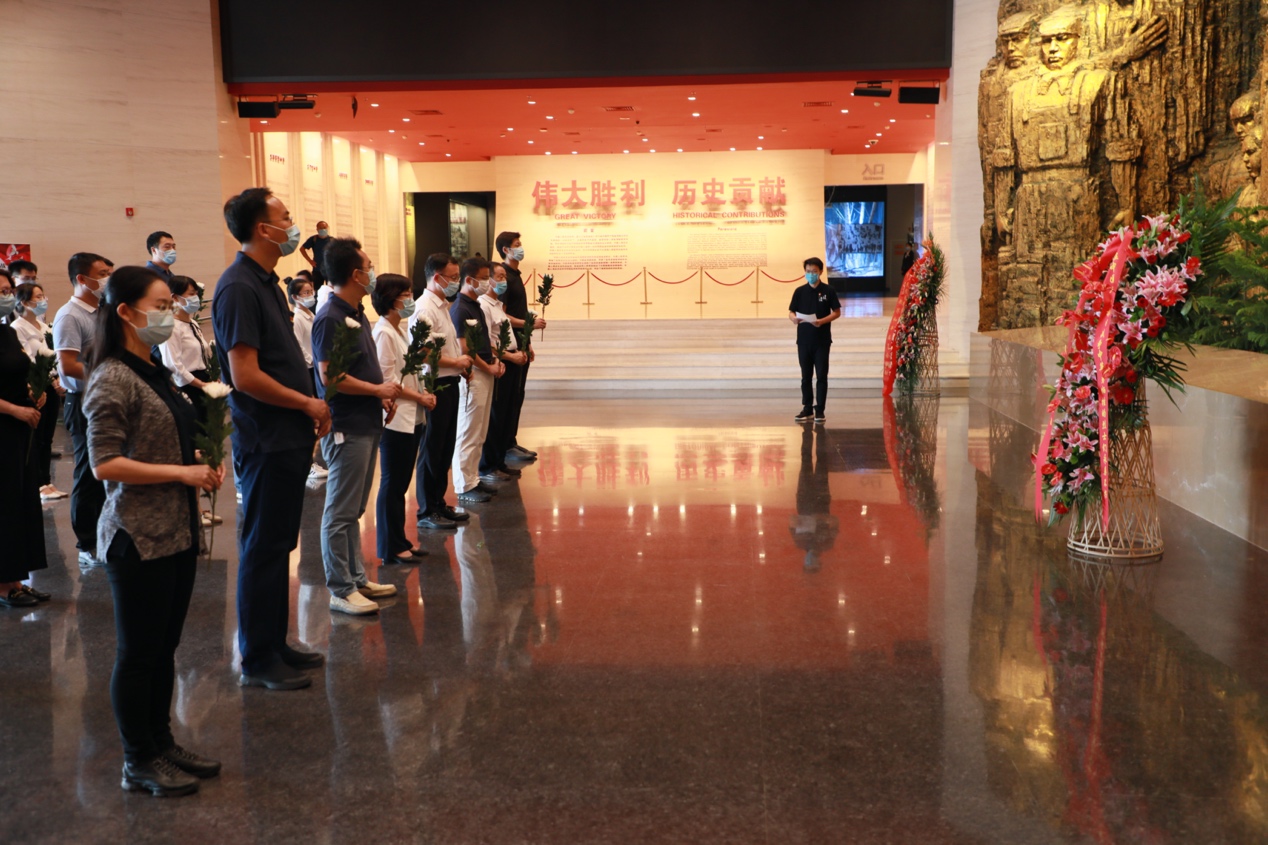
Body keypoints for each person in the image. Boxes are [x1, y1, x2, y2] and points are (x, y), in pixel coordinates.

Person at [83, 265, 225, 797]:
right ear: (126, 312)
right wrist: (181, 474)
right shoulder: (111, 377)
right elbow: (104, 463)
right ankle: (137, 758)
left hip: (176, 530)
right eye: (162, 306)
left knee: (165, 648)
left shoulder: (155, 369)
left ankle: (162, 741)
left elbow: (164, 439)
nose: (171, 314)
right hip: (137, 536)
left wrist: (199, 461)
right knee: (139, 654)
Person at [213, 187, 330, 691]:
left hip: (287, 435)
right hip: (266, 437)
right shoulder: (238, 287)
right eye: (285, 217)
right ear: (263, 229)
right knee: (263, 547)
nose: (292, 224)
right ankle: (258, 658)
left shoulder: (267, 283)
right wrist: (306, 403)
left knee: (279, 543)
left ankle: (275, 642)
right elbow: (245, 375)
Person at [311, 237, 400, 616]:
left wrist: (378, 396)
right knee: (340, 511)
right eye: (368, 266)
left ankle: (357, 578)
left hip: (365, 420)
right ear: (354, 274)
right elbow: (330, 376)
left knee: (354, 509)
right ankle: (341, 588)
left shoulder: (355, 312)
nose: (372, 272)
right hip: (346, 425)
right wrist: (377, 389)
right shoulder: (330, 318)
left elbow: (360, 367)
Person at [52, 252, 113, 566]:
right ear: (81, 279)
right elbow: (68, 365)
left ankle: (107, 534)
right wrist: (108, 374)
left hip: (107, 397)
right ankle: (87, 543)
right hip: (83, 400)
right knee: (88, 474)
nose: (107, 279)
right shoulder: (69, 315)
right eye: (102, 274)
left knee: (109, 469)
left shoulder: (104, 311)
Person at [371, 272, 436, 565]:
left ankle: (400, 540)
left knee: (400, 485)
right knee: (393, 483)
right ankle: (390, 546)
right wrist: (419, 397)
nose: (411, 299)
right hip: (396, 418)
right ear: (391, 298)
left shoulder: (397, 330)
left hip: (411, 416)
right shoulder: (384, 332)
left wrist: (423, 391)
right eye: (406, 294)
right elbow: (388, 381)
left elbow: (407, 372)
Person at [409, 253, 471, 530]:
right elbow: (421, 353)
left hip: (449, 382)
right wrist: (456, 363)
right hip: (434, 384)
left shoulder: (442, 305)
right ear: (437, 277)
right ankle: (426, 510)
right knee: (432, 448)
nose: (457, 282)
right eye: (454, 277)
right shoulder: (424, 308)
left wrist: (458, 365)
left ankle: (438, 502)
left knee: (445, 447)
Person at [0, 269, 49, 607]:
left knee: (20, 502)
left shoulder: (5, 331)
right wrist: (15, 410)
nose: (5, 295)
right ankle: (4, 585)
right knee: (3, 505)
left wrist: (33, 391)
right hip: (4, 425)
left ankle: (16, 578)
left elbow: (16, 371)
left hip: (18, 431)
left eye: (7, 289)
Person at [158, 274, 222, 528]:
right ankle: (192, 510)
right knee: (193, 448)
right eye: (191, 294)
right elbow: (174, 366)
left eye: (196, 293)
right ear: (175, 298)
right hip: (188, 388)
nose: (196, 298)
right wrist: (202, 385)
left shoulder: (192, 324)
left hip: (203, 384)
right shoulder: (170, 326)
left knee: (204, 447)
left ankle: (198, 507)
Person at [11, 279, 68, 501]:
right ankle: (37, 483)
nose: (43, 300)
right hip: (35, 387)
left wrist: (58, 378)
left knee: (47, 438)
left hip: (51, 386)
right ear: (25, 302)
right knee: (35, 437)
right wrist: (49, 380)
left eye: (43, 296)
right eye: (38, 297)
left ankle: (46, 480)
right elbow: (29, 359)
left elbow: (54, 356)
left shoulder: (44, 327)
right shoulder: (17, 328)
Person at [494, 231, 546, 463]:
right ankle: (503, 446)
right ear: (506, 250)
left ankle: (510, 441)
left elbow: (518, 312)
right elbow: (502, 315)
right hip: (509, 344)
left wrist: (528, 341)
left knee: (517, 395)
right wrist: (528, 324)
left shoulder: (515, 275)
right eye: (517, 244)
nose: (521, 247)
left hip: (520, 342)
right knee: (507, 397)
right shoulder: (504, 278)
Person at [479, 262, 528, 485]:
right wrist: (509, 356)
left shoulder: (498, 304)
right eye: (499, 276)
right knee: (496, 418)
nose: (503, 281)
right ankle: (488, 465)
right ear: (488, 279)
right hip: (501, 364)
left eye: (504, 277)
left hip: (511, 361)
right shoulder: (484, 305)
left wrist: (520, 350)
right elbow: (486, 342)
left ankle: (499, 462)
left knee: (507, 415)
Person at [787, 257, 841, 424]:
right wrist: (793, 318)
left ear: (821, 272)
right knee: (805, 376)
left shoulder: (828, 291)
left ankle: (820, 410)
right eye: (808, 271)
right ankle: (807, 408)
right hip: (803, 340)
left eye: (814, 271)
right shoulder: (799, 291)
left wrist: (821, 321)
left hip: (822, 341)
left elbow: (837, 312)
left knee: (821, 376)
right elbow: (791, 311)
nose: (811, 274)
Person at [288, 275, 327, 481]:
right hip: (308, 369)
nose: (310, 295)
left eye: (311, 291)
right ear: (295, 297)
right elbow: (298, 345)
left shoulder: (310, 315)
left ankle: (313, 461)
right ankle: (308, 464)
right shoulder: (298, 319)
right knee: (311, 418)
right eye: (306, 293)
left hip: (315, 367)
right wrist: (312, 360)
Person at [301, 221, 332, 287]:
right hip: (317, 270)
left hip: (329, 270)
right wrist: (310, 261)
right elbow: (302, 249)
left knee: (330, 290)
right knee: (316, 290)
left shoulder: (332, 240)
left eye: (324, 227)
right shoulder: (313, 239)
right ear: (317, 229)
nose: (323, 229)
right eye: (320, 228)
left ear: (328, 228)